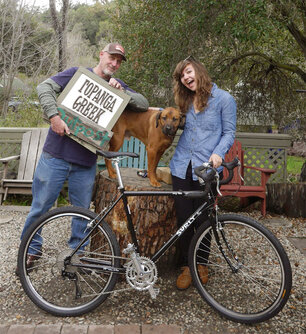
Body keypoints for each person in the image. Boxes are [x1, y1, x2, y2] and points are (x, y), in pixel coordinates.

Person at [18, 43, 149, 272]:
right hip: (55, 156)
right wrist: (54, 116)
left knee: (82, 213)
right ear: (101, 55)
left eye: (119, 61)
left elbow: (143, 104)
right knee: (40, 207)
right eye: (111, 58)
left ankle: (76, 254)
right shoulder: (77, 74)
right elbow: (44, 88)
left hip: (86, 162)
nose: (114, 64)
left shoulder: (116, 86)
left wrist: (123, 92)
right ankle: (30, 250)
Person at [169, 56, 236, 290]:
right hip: (180, 167)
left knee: (204, 219)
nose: (186, 78)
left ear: (198, 70)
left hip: (206, 169)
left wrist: (218, 154)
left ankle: (202, 264)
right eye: (182, 76)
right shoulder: (185, 102)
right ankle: (188, 265)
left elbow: (229, 133)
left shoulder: (225, 99)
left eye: (188, 72)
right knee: (184, 219)